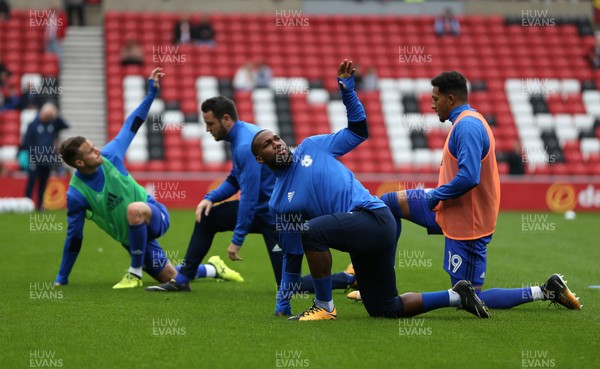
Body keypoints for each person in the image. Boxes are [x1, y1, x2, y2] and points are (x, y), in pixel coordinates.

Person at [252, 60, 489, 320]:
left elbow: (358, 130)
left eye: (276, 138)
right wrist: (282, 302)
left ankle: (324, 306)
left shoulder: (311, 147)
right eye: (267, 144)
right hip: (363, 239)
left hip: (374, 216)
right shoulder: (277, 203)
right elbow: (292, 255)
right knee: (384, 309)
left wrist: (348, 92)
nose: (276, 144)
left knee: (311, 231)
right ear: (260, 159)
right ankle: (457, 295)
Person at [373, 71, 581, 311]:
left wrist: (435, 195)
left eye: (435, 98)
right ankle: (376, 280)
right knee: (388, 203)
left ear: (450, 100)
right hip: (447, 207)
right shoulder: (466, 121)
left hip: (468, 221)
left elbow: (469, 177)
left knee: (468, 296)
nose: (432, 104)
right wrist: (436, 197)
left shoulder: (468, 126)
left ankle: (545, 291)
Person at [52, 68, 227, 289]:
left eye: (94, 146)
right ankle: (214, 268)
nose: (98, 151)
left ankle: (134, 273)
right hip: (131, 239)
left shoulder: (111, 156)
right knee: (171, 277)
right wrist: (62, 277)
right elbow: (74, 237)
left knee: (134, 209)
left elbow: (132, 123)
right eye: (91, 152)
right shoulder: (76, 195)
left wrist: (151, 93)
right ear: (79, 163)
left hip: (153, 214)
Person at [146, 95, 283, 292]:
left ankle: (342, 278)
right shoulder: (243, 135)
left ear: (226, 119)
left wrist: (237, 240)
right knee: (206, 217)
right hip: (263, 211)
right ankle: (182, 279)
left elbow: (249, 198)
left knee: (289, 286)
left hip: (273, 216)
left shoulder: (245, 146)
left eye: (210, 123)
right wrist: (209, 198)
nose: (207, 129)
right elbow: (234, 179)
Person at [21, 103, 69, 211]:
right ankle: (26, 204)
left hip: (47, 159)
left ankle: (40, 205)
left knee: (43, 182)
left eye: (51, 116)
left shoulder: (52, 124)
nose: (49, 118)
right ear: (43, 113)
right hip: (35, 158)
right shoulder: (32, 125)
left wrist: (56, 115)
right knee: (32, 181)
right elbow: (27, 141)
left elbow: (66, 125)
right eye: (48, 116)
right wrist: (34, 154)